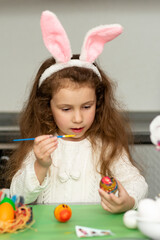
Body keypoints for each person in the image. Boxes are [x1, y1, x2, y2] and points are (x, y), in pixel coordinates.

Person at [4, 11, 148, 213]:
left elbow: (137, 183)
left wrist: (128, 201)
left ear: (98, 102)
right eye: (66, 109)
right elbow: (18, 197)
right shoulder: (42, 147)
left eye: (87, 106)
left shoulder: (106, 146)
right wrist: (40, 165)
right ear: (47, 107)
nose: (78, 118)